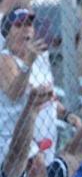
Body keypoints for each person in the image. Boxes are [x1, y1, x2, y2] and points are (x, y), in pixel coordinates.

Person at [0, 9, 56, 165]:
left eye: (29, 24)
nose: (26, 29)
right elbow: (15, 93)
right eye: (19, 25)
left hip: (46, 142)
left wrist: (67, 115)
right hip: (18, 148)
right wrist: (27, 63)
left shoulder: (41, 59)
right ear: (7, 34)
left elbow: (50, 98)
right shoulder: (5, 59)